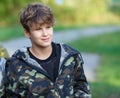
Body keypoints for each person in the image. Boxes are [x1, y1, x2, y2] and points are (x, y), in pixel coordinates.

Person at [5, 2, 91, 98]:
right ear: (27, 33)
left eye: (48, 27)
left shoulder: (71, 56)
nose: (45, 33)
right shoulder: (16, 64)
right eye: (38, 29)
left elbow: (81, 86)